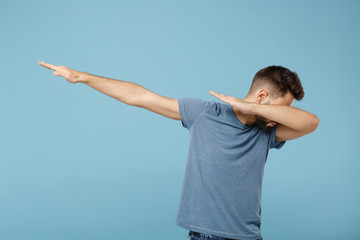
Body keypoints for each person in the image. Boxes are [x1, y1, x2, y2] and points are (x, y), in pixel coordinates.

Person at [38, 61, 319, 240]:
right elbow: (141, 96)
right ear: (262, 95)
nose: (279, 118)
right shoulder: (205, 114)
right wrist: (83, 77)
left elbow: (311, 123)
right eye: (281, 109)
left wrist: (250, 108)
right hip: (206, 236)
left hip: (249, 236)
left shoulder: (268, 131)